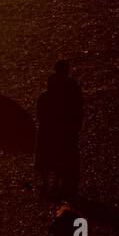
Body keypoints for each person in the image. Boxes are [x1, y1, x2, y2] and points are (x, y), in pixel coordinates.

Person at [35, 60, 83, 198]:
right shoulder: (71, 87)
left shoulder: (46, 94)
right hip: (65, 128)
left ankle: (45, 185)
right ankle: (58, 184)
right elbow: (78, 107)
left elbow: (40, 112)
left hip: (48, 128)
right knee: (63, 154)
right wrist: (76, 125)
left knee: (46, 154)